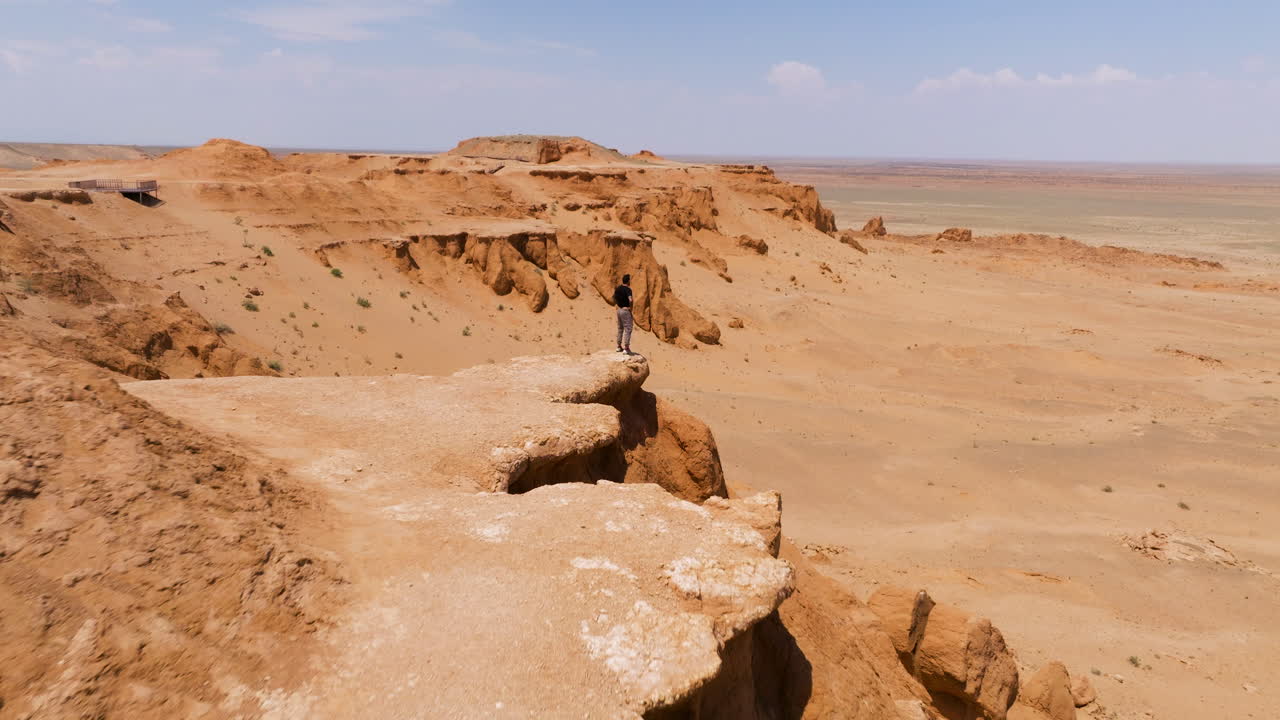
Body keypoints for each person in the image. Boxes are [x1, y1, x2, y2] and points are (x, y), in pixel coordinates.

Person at [614, 274, 633, 354]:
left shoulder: (618, 288)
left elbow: (614, 298)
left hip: (619, 310)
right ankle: (626, 347)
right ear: (628, 281)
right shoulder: (628, 289)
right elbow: (630, 300)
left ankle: (618, 346)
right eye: (630, 280)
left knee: (620, 328)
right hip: (625, 310)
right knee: (628, 328)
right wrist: (630, 308)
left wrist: (619, 304)